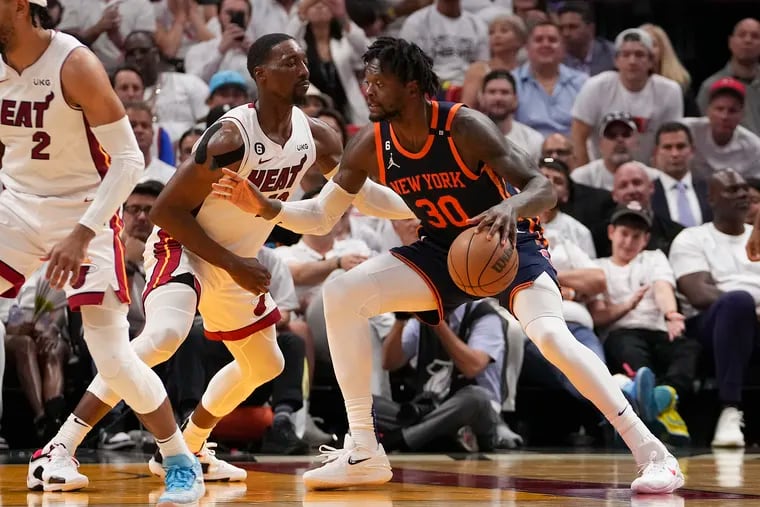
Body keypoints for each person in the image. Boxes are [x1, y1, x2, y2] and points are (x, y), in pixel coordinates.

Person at [212, 36, 684, 494]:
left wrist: (510, 209)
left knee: (552, 337)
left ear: (411, 88)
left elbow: (543, 187)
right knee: (342, 293)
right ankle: (363, 449)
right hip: (441, 250)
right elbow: (321, 215)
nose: (367, 91)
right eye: (365, 81)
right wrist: (267, 207)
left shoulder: (463, 125)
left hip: (507, 246)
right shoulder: (371, 144)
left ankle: (652, 452)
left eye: (377, 82)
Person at [42, 31, 414, 488]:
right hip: (184, 245)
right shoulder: (229, 137)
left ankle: (192, 445)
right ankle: (60, 446)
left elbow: (362, 196)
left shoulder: (317, 134)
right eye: (290, 62)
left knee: (266, 363)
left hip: (235, 259)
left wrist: (422, 205)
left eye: (303, 61)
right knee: (164, 335)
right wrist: (234, 264)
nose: (303, 70)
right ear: (260, 75)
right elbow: (165, 211)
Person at [0, 1, 202, 503]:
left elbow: (130, 160)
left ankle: (179, 458)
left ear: (22, 7)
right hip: (18, 207)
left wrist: (82, 231)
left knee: (111, 357)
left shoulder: (75, 64)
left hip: (87, 209)